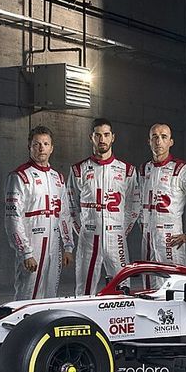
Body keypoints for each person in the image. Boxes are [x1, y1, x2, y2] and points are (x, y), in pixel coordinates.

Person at [68, 118, 140, 295]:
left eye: (106, 135)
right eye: (98, 135)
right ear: (91, 138)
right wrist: (83, 229)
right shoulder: (78, 169)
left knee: (122, 288)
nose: (102, 139)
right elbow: (70, 205)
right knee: (84, 290)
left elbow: (134, 205)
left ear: (113, 137)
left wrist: (121, 230)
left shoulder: (127, 170)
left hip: (116, 239)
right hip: (88, 238)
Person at [5, 125, 74, 300]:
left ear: (52, 148)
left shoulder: (57, 178)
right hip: (32, 245)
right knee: (27, 297)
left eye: (45, 143)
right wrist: (25, 252)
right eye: (36, 144)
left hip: (54, 247)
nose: (41, 148)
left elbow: (64, 214)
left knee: (50, 297)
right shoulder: (20, 176)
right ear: (29, 147)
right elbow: (13, 219)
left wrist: (67, 246)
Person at [138, 123, 186, 274]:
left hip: (170, 238)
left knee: (173, 286)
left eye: (163, 137)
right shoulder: (143, 169)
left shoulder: (181, 169)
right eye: (155, 137)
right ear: (149, 141)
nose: (158, 141)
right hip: (147, 239)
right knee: (148, 287)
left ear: (171, 142)